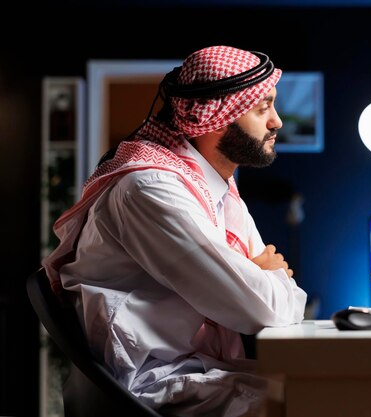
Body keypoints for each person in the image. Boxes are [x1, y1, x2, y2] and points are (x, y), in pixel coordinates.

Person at [43, 46, 307, 417]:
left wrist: (264, 279)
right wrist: (265, 276)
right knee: (313, 399)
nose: (276, 122)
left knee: (322, 385)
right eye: (262, 108)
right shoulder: (150, 188)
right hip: (151, 384)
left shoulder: (216, 188)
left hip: (191, 367)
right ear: (215, 117)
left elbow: (271, 301)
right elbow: (261, 308)